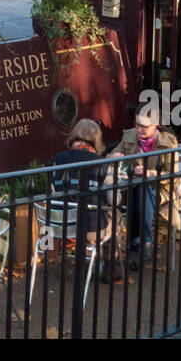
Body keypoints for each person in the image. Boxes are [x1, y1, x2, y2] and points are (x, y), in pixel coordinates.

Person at [50, 119, 121, 281]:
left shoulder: (58, 160)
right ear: (97, 138)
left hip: (64, 226)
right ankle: (111, 267)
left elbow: (53, 195)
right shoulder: (103, 164)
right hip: (92, 228)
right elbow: (114, 199)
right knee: (115, 215)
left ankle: (79, 263)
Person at [110, 107, 180, 269]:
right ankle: (145, 242)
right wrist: (115, 157)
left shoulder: (168, 142)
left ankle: (135, 245)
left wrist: (150, 173)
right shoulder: (129, 136)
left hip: (161, 190)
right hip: (132, 189)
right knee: (139, 187)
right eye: (137, 125)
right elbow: (111, 155)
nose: (139, 129)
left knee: (141, 187)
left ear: (155, 125)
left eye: (144, 126)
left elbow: (174, 175)